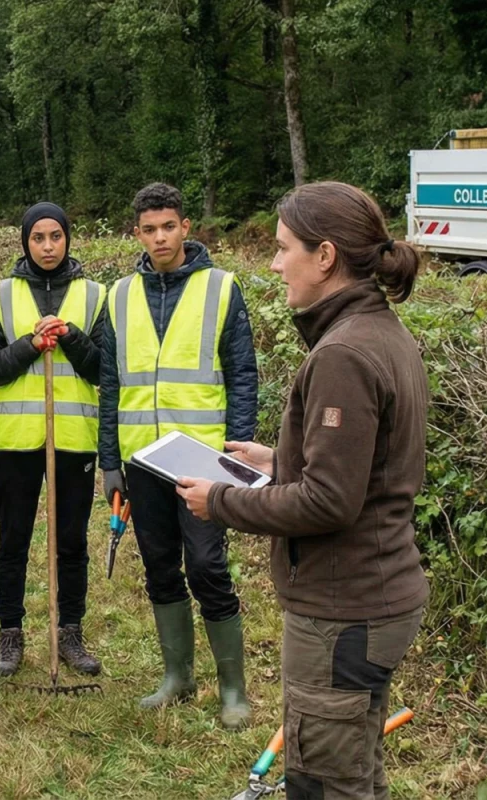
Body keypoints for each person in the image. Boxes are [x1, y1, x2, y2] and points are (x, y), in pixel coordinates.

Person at [177, 182, 429, 800]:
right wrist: (280, 460)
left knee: (322, 784)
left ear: (325, 256)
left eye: (283, 247)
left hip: (343, 612)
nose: (273, 263)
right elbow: (366, 468)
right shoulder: (379, 332)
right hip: (373, 598)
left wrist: (221, 501)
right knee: (355, 773)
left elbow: (328, 501)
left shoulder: (344, 353)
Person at [96, 182, 259, 726]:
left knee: (207, 566)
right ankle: (178, 677)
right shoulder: (119, 295)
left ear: (186, 227)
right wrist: (110, 462)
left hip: (201, 459)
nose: (160, 237)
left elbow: (242, 375)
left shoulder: (221, 288)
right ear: (136, 234)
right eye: (150, 229)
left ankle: (233, 690)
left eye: (169, 226)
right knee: (160, 566)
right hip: (142, 458)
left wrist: (238, 456)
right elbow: (110, 385)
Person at [0, 201, 105, 677]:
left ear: (67, 239)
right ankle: (10, 633)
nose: (48, 246)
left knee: (71, 540)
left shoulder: (95, 296)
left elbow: (102, 368)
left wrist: (70, 336)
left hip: (74, 438)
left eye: (56, 236)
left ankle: (70, 631)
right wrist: (30, 345)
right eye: (38, 238)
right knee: (13, 539)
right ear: (25, 241)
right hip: (17, 440)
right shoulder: (0, 295)